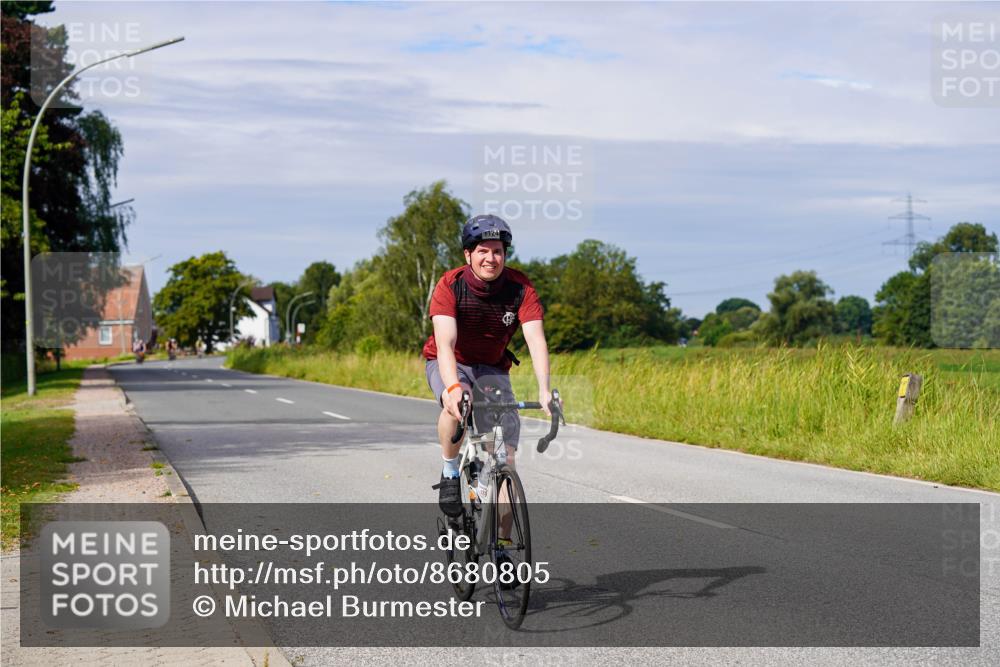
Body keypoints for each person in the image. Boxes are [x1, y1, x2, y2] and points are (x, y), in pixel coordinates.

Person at [422, 214, 554, 518]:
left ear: (505, 254)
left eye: (497, 251)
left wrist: (545, 390)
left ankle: (503, 551)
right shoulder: (450, 285)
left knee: (504, 460)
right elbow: (445, 345)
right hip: (452, 361)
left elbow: (536, 341)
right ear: (468, 254)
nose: (491, 258)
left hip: (493, 367)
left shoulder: (520, 288)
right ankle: (450, 471)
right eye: (483, 251)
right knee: (455, 406)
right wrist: (453, 388)